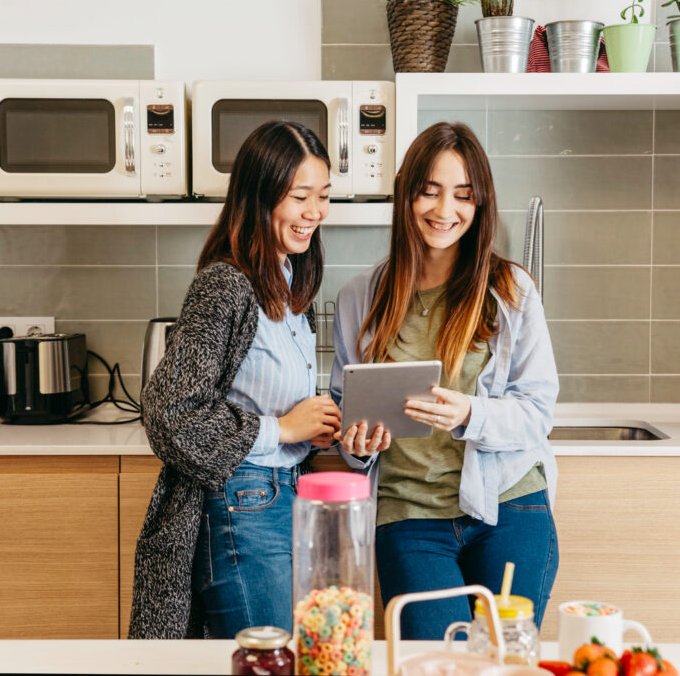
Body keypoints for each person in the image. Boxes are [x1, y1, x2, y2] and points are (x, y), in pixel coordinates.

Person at [330, 121, 560, 640]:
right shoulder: (359, 298)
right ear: (407, 196)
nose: (443, 210)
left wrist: (469, 414)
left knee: (500, 661)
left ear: (479, 205)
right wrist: (359, 444)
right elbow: (349, 418)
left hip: (509, 505)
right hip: (407, 515)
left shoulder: (510, 288)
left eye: (462, 195)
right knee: (434, 664)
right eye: (429, 191)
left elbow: (538, 410)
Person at [130, 120, 341, 639]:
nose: (315, 212)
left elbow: (257, 398)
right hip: (243, 503)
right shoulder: (226, 283)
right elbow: (170, 412)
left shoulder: (287, 282)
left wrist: (311, 426)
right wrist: (285, 430)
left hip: (281, 496)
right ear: (260, 196)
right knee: (269, 662)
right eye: (300, 197)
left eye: (324, 196)